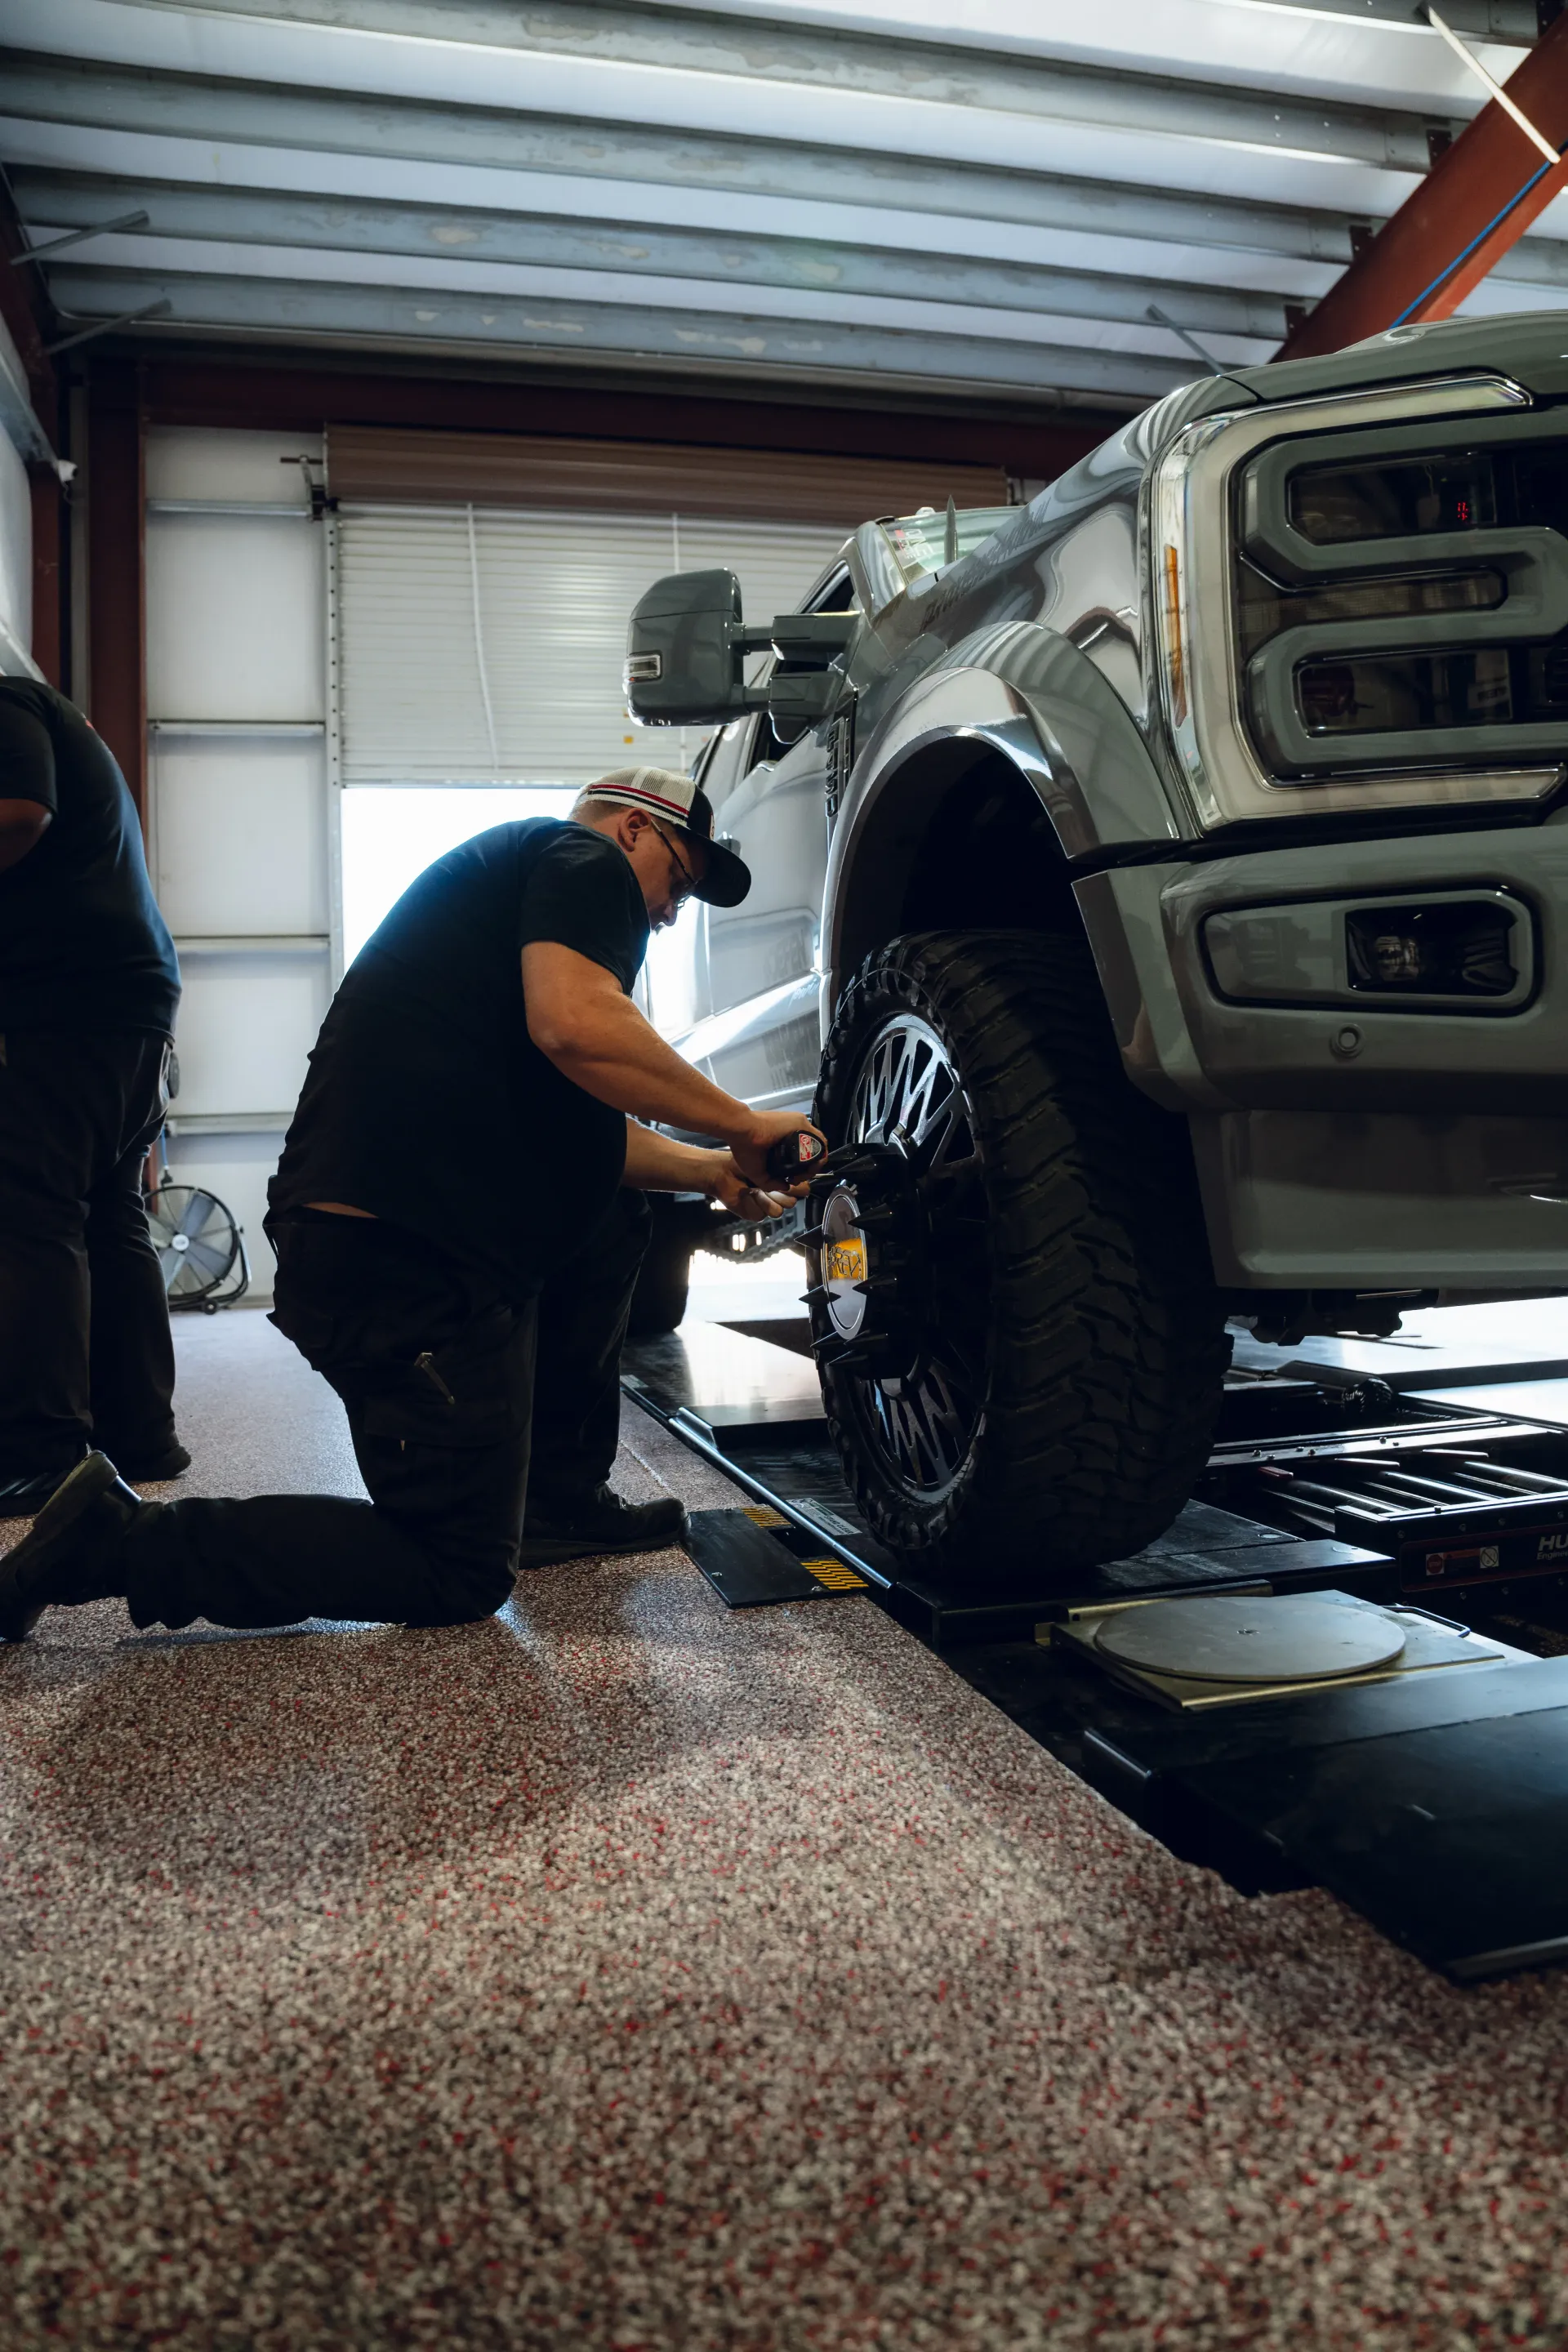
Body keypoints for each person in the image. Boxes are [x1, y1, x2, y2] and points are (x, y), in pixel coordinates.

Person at [0, 768, 823, 1642]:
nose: (668, 913)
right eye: (679, 885)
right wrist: (741, 1122)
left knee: (611, 1217)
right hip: (400, 1267)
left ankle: (557, 1502)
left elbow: (589, 1136)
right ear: (631, 830)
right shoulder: (583, 863)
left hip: (378, 1245)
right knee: (455, 1571)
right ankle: (116, 1542)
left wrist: (708, 1170)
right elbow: (578, 1026)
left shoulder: (505, 906)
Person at [0, 678, 187, 1513]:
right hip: (129, 1000)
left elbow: (18, 811)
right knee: (109, 1215)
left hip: (60, 999)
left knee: (29, 1210)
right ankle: (139, 1433)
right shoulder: (56, 711)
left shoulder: (3, 702)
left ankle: (41, 1453)